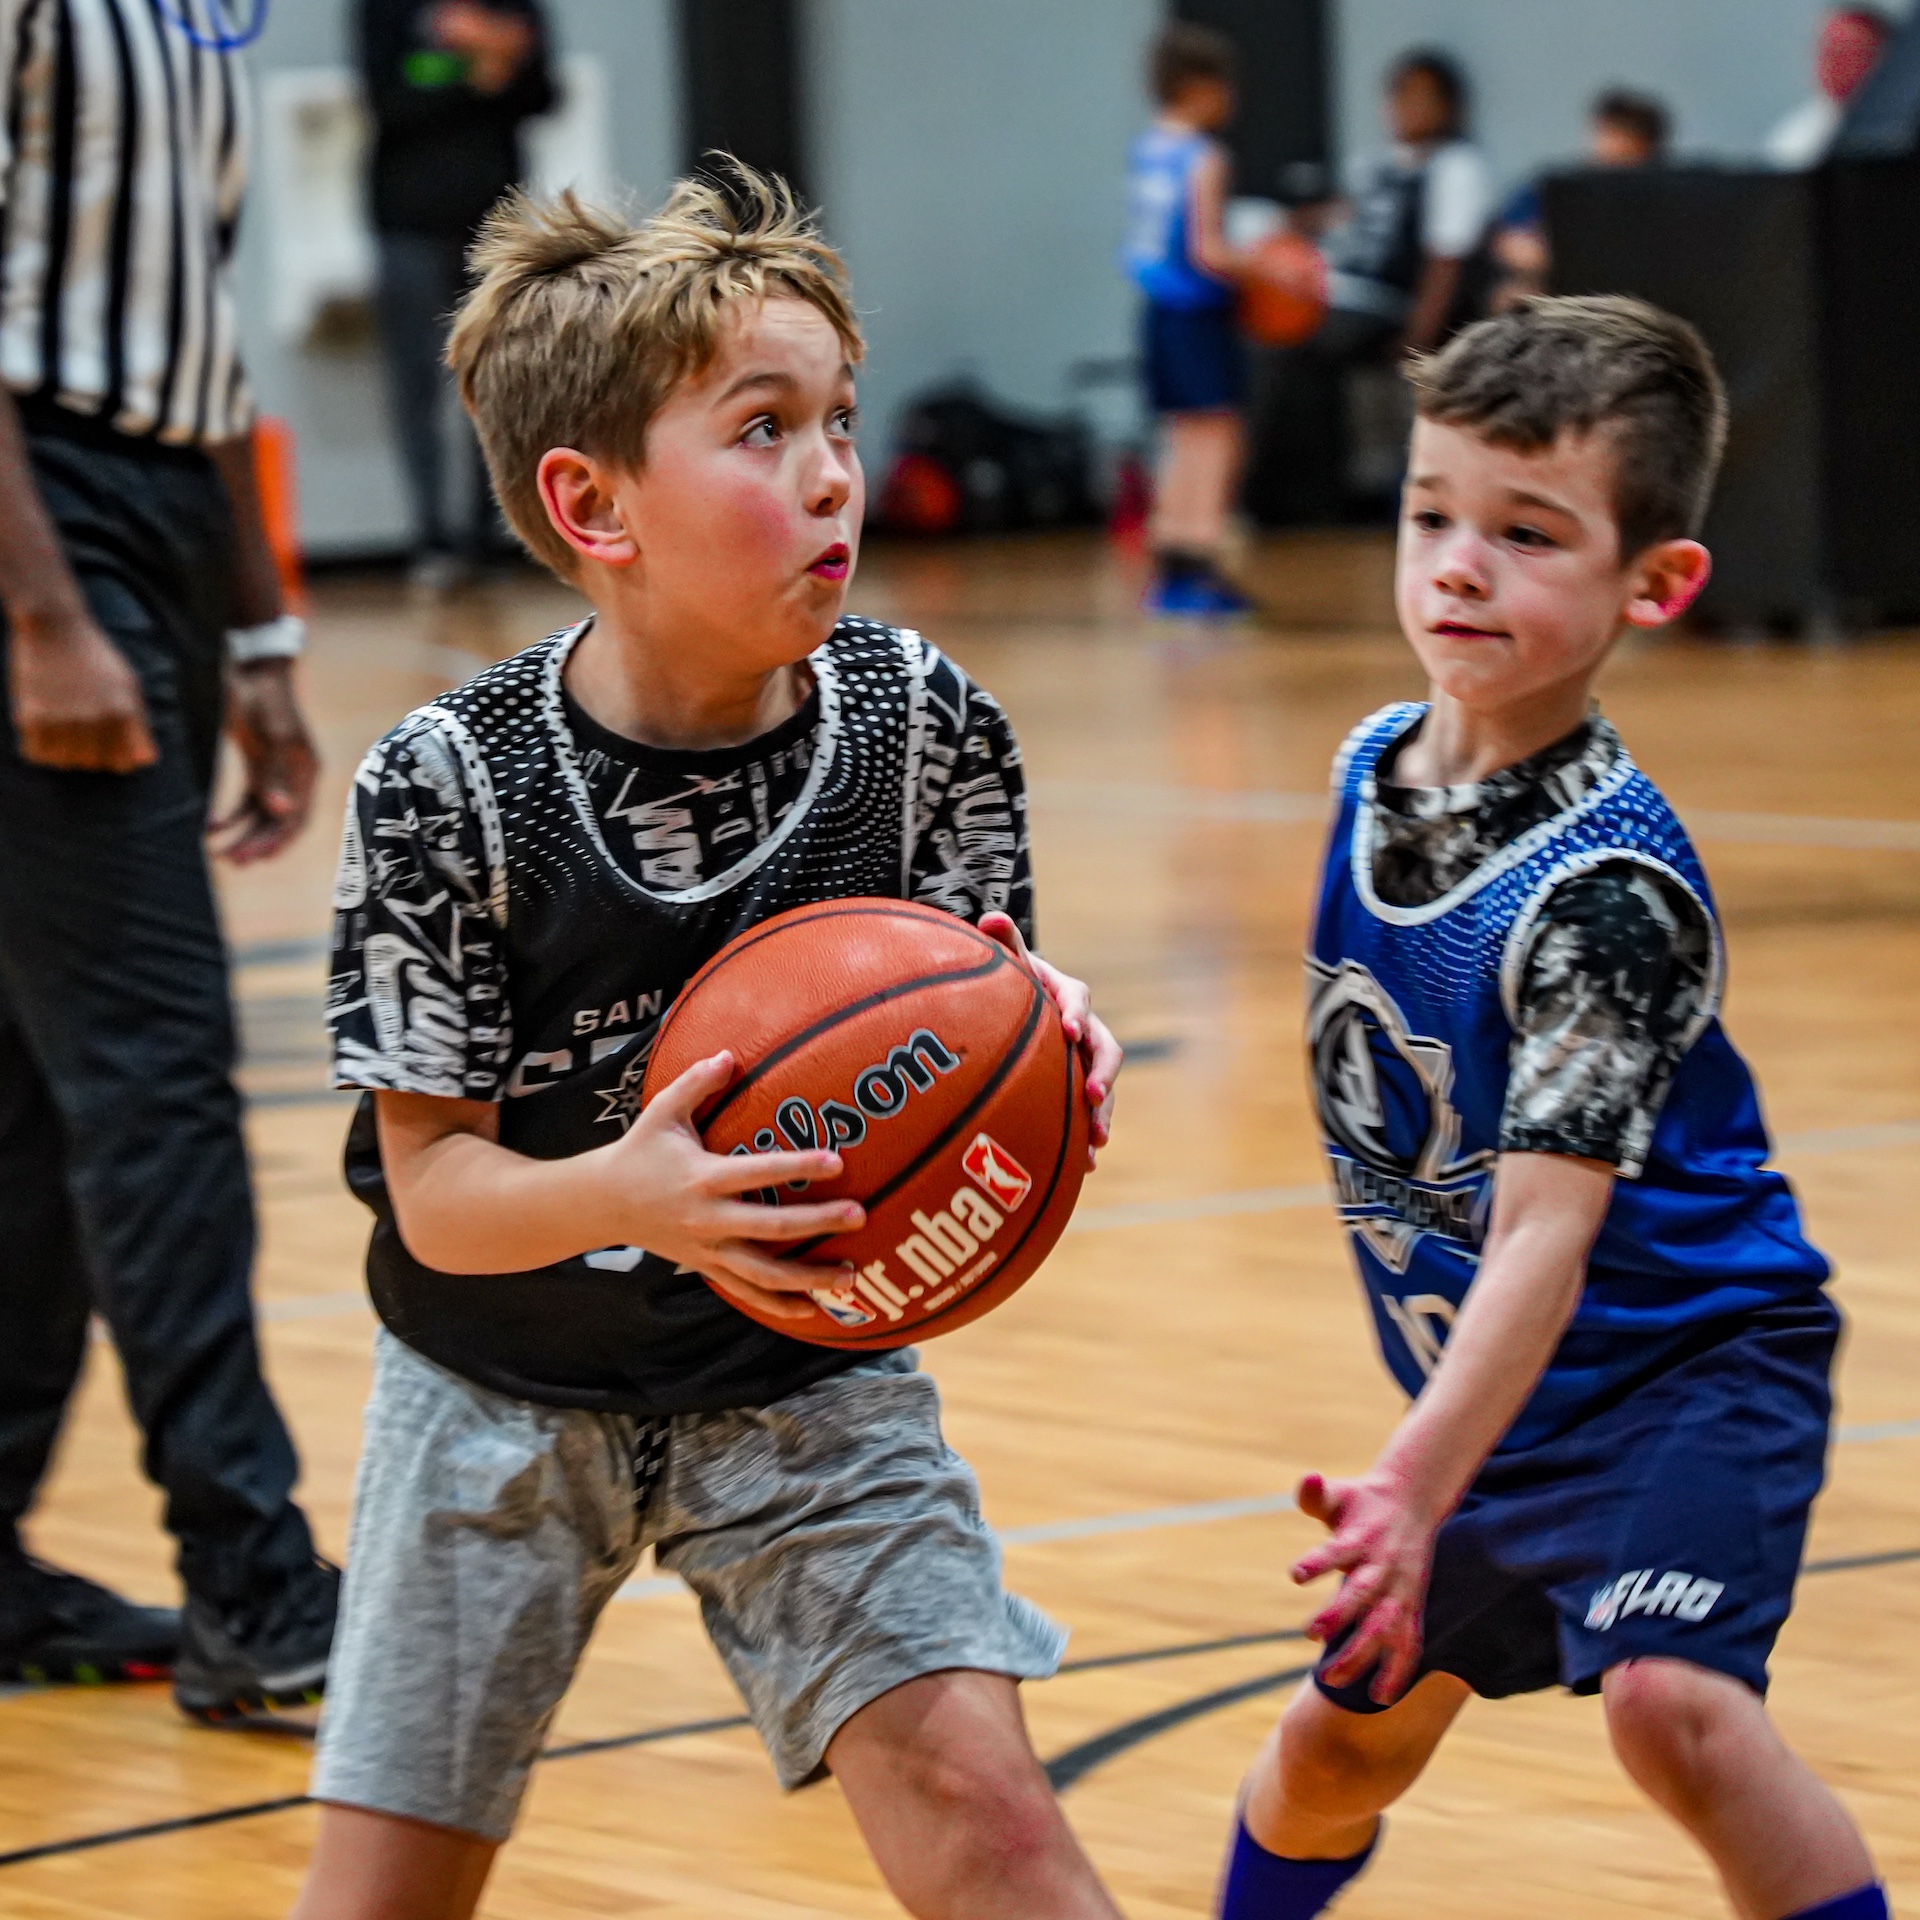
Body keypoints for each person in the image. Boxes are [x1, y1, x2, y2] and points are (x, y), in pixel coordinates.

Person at [295, 165, 1127, 1920]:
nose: (832, 475)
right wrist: (638, 1192)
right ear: (591, 503)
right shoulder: (451, 784)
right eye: (763, 429)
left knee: (992, 1827)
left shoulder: (924, 725)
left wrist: (1052, 1054)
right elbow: (436, 1199)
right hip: (494, 1392)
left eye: (840, 419)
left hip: (807, 1385)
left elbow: (979, 1009)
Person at [1214, 296, 1888, 1920]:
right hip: (1503, 1408)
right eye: (1430, 515)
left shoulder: (1603, 899)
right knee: (1332, 1756)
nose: (1459, 567)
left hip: (1682, 1375)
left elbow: (1542, 1235)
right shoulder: (1372, 763)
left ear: (1658, 583)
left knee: (1675, 1713)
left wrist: (1409, 1482)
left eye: (1527, 535)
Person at [0, 0, 338, 1716]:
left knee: (39, 1085)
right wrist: (41, 614)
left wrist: (257, 623)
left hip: (158, 514)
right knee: (154, 1071)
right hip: (37, 513)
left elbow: (194, 320)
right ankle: (253, 1585)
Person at [357, 0, 557, 590]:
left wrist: (489, 54)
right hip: (408, 220)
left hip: (495, 222)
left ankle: (486, 535)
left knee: (496, 375)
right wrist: (483, 62)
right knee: (417, 382)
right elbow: (387, 101)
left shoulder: (510, 7)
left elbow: (543, 93)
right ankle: (432, 537)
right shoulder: (386, 9)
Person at [1247, 50, 1493, 527]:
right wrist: (1292, 224)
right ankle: (1291, 491)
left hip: (1389, 304)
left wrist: (1418, 336)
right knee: (1264, 324)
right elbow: (1343, 218)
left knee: (1292, 337)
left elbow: (1445, 260)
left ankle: (1294, 499)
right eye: (1399, 97)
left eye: (1421, 98)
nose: (1406, 109)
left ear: (1449, 107)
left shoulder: (1456, 167)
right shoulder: (1378, 165)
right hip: (1340, 290)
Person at [1123, 21, 1257, 617]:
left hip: (1155, 310)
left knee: (1181, 437)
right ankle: (1200, 563)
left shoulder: (1148, 148)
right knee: (1217, 437)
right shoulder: (1204, 156)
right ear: (1200, 87)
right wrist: (1268, 269)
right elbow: (1208, 252)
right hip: (1198, 312)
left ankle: (1170, 569)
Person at [1491, 89, 1671, 309]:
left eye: (1628, 135)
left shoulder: (1665, 196)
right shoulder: (1559, 187)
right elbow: (1511, 240)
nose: (1615, 144)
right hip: (1561, 286)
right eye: (1609, 132)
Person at [1768, 6, 1895, 168]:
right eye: (1829, 50)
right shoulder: (1795, 135)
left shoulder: (1902, 128)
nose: (1835, 62)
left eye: (1850, 53)